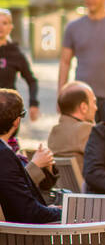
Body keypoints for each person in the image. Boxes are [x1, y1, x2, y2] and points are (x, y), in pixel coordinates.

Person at [0, 90, 60, 223]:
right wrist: (64, 212)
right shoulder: (4, 155)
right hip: (19, 239)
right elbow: (29, 213)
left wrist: (49, 209)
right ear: (16, 121)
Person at [47, 81, 98, 173]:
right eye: (94, 102)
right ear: (84, 107)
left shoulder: (54, 132)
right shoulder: (85, 129)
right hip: (84, 186)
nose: (96, 108)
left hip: (63, 186)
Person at [0, 8, 39, 122]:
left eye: (5, 23)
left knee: (7, 140)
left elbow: (32, 81)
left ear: (11, 27)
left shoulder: (16, 53)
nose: (1, 26)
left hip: (9, 111)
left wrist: (33, 103)